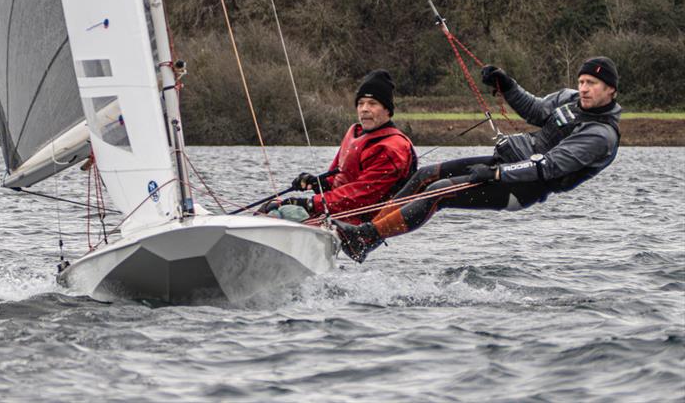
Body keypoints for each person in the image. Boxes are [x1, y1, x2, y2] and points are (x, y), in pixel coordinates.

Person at [334, 56, 622, 262]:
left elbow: (545, 166)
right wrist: (507, 85)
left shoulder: (600, 135)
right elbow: (535, 110)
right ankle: (366, 230)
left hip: (522, 186)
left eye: (593, 83)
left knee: (438, 192)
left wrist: (496, 175)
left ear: (610, 89)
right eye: (582, 81)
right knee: (426, 175)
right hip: (506, 164)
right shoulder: (570, 99)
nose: (584, 88)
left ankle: (366, 237)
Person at [263, 69, 417, 224]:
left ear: (387, 111)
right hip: (332, 212)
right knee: (270, 208)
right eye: (360, 103)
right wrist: (318, 183)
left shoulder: (392, 148)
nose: (364, 109)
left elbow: (360, 195)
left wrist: (308, 204)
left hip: (356, 226)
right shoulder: (355, 133)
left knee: (284, 212)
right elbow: (337, 177)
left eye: (372, 104)